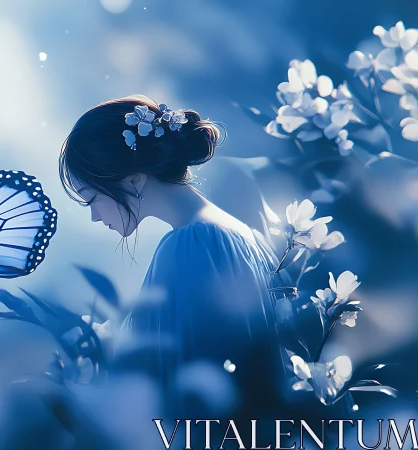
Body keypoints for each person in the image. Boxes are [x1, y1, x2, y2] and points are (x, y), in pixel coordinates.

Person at [58, 95, 351, 445]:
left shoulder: (189, 245)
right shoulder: (240, 235)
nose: (93, 215)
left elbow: (197, 395)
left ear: (134, 181)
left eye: (92, 198)